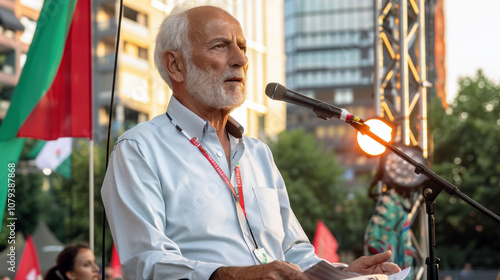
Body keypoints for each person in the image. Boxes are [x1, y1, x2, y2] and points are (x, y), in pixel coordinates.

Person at [101, 1, 401, 279]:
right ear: (175, 66)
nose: (241, 59)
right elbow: (146, 262)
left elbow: (295, 253)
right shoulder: (139, 150)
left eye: (242, 47)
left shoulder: (258, 154)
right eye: (220, 46)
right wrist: (235, 275)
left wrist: (343, 275)